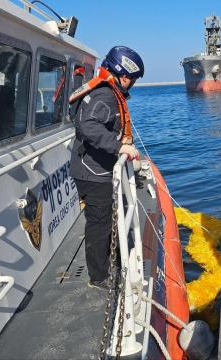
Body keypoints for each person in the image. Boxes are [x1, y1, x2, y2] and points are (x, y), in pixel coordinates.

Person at [69, 46, 143, 290]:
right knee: (99, 223)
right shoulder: (106, 96)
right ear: (123, 75)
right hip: (92, 172)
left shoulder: (103, 90)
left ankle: (112, 259)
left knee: (107, 218)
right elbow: (87, 125)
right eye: (131, 79)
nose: (131, 83)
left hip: (95, 168)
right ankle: (99, 277)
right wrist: (119, 147)